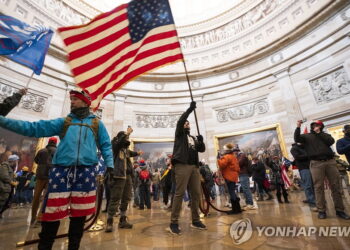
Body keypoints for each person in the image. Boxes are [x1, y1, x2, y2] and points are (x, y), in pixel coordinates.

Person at [0, 89, 114, 249]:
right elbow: (33, 128)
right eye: (71, 99)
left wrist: (110, 165)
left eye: (75, 99)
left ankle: (73, 246)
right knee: (51, 214)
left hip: (86, 172)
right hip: (62, 171)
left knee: (79, 216)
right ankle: (45, 245)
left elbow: (106, 145)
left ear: (85, 102)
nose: (72, 102)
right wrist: (3, 121)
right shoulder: (65, 121)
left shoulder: (96, 123)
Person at [294, 120, 349, 220]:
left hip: (330, 162)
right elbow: (297, 138)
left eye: (317, 125)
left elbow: (331, 141)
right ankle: (321, 210)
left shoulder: (325, 135)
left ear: (321, 126)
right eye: (314, 125)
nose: (315, 127)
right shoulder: (307, 136)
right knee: (318, 187)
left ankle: (340, 210)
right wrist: (298, 127)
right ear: (311, 127)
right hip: (316, 163)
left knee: (336, 185)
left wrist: (319, 133)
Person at [168, 101, 206, 235]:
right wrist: (190, 109)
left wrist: (200, 141)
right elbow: (181, 120)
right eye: (186, 123)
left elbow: (201, 149)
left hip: (194, 167)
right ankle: (173, 222)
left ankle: (195, 220)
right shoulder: (179, 135)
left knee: (196, 193)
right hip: (182, 165)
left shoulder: (192, 138)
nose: (187, 123)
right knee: (179, 193)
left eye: (188, 123)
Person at [105, 127, 142, 232]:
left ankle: (122, 220)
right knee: (115, 198)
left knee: (126, 198)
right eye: (125, 139)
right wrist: (127, 133)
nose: (127, 141)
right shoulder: (115, 147)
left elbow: (131, 153)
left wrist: (138, 153)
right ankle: (109, 222)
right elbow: (119, 143)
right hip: (118, 176)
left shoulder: (125, 150)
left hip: (127, 176)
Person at [31, 137, 57, 226]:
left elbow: (36, 161)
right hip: (51, 177)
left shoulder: (42, 151)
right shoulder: (57, 151)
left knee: (36, 197)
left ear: (49, 142)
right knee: (46, 198)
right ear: (55, 143)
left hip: (40, 176)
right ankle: (40, 218)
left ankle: (32, 218)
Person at [217, 143, 242, 214]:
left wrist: (218, 159)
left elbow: (222, 165)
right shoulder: (233, 156)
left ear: (226, 150)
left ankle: (235, 210)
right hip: (233, 176)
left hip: (229, 176)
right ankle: (237, 209)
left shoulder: (227, 156)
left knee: (231, 192)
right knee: (232, 192)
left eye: (224, 150)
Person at [290, 142, 316, 209]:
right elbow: (297, 157)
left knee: (313, 185)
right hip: (304, 168)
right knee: (308, 185)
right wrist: (309, 155)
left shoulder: (305, 147)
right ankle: (312, 203)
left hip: (312, 166)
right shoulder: (294, 148)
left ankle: (314, 200)